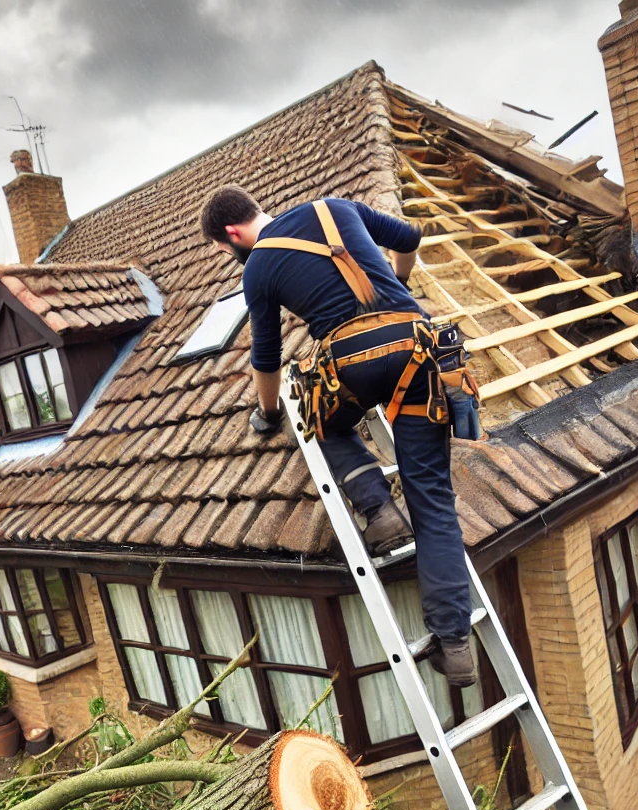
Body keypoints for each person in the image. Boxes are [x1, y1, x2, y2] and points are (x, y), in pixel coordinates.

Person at [199, 185, 477, 687]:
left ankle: (377, 507)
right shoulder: (335, 207)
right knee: (434, 502)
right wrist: (397, 282)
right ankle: (456, 646)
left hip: (350, 366)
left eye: (224, 250)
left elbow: (266, 357)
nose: (230, 255)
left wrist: (267, 413)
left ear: (232, 234)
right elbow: (411, 235)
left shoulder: (257, 266)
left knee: (318, 416)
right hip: (420, 351)